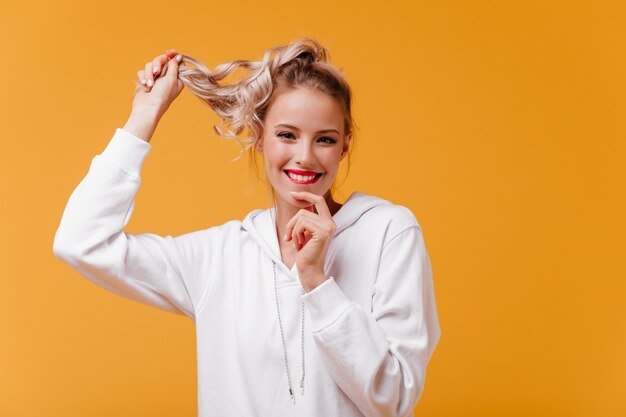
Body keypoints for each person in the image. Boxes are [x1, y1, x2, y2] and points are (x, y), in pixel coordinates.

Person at [53, 37, 441, 417]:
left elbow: (394, 399)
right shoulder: (220, 257)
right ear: (258, 137)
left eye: (325, 139)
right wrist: (145, 112)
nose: (304, 157)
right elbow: (80, 242)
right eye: (287, 135)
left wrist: (316, 281)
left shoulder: (390, 232)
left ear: (345, 146)